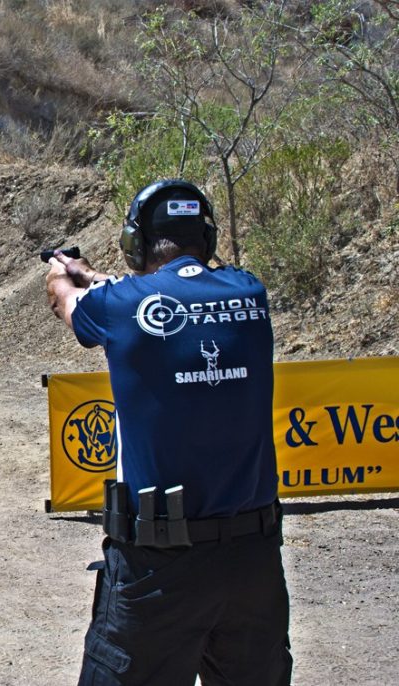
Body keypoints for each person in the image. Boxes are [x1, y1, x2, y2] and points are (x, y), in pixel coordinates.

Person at [45, 179, 292, 685]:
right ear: (208, 237)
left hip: (158, 570)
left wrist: (61, 275)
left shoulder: (118, 304)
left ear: (137, 243)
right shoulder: (249, 291)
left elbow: (68, 302)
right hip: (254, 563)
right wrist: (92, 273)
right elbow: (168, 292)